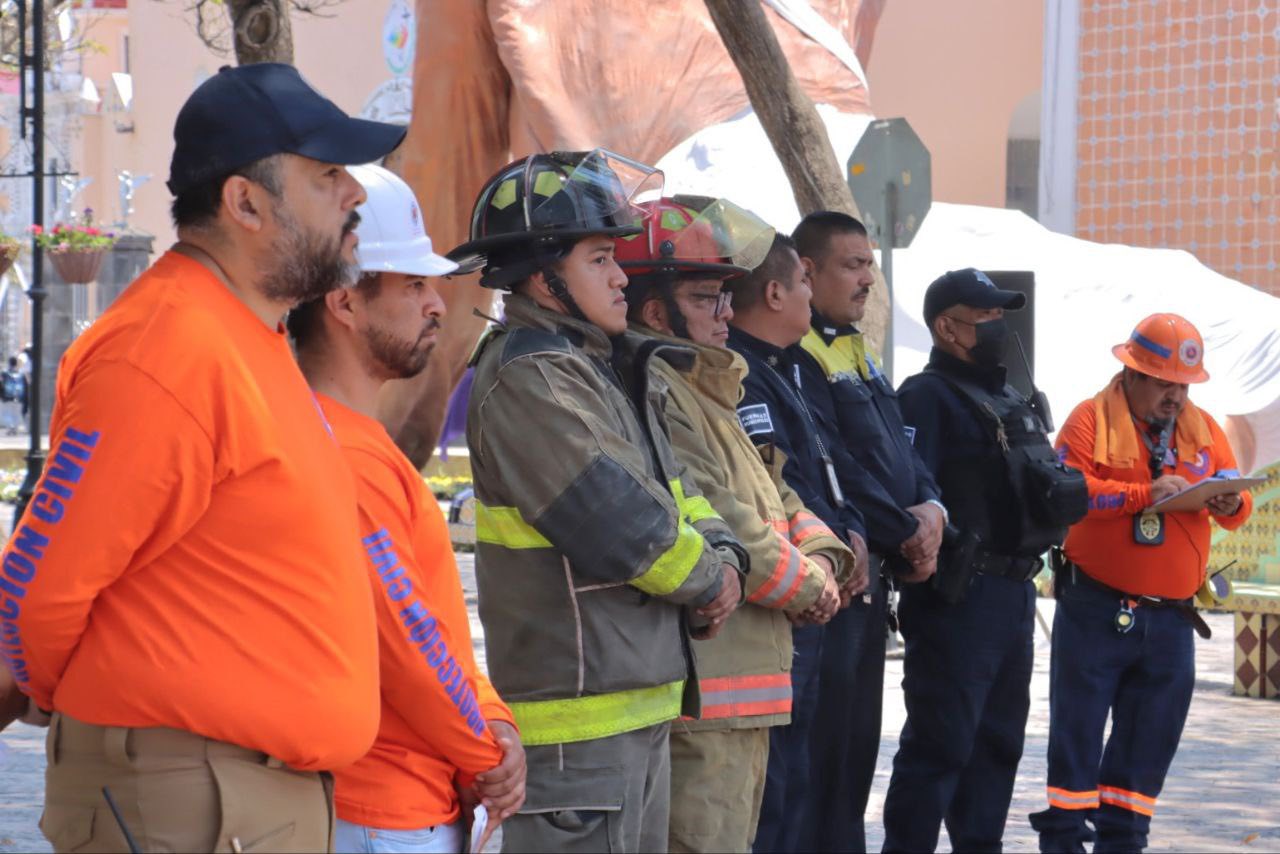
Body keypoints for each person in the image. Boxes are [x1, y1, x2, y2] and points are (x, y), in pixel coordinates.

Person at [0, 63, 405, 853]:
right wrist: (99, 704)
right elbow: (39, 592)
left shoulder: (243, 335)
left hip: (237, 796)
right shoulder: (164, 349)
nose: (355, 194)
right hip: (190, 799)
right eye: (327, 175)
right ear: (245, 202)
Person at [445, 149, 745, 853]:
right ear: (542, 274)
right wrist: (712, 582)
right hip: (575, 739)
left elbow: (682, 495)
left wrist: (725, 557)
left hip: (632, 710)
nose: (621, 276)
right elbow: (624, 525)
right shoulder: (533, 379)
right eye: (601, 258)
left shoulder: (594, 367)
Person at [288, 164, 526, 854]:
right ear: (343, 302)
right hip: (385, 812)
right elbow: (410, 642)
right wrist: (490, 749)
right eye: (413, 284)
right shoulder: (347, 454)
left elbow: (431, 633)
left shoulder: (344, 438)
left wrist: (490, 721)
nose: (438, 305)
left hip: (392, 803)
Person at [618, 197, 856, 853]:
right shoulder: (658, 389)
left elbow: (779, 492)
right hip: (706, 703)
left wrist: (825, 555)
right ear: (653, 310)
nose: (727, 312)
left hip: (746, 695)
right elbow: (725, 518)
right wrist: (813, 586)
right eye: (705, 298)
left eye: (725, 295)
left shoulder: (709, 388)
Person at [1030, 313, 1253, 853]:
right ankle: (1063, 839)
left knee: (1149, 745)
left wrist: (1232, 500)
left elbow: (1235, 501)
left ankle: (1125, 840)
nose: (1175, 396)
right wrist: (1143, 494)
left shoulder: (1203, 429)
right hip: (1095, 608)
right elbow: (1070, 491)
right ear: (1130, 372)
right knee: (1077, 740)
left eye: (1183, 384)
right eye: (1162, 381)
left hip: (1172, 619)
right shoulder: (1088, 420)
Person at [883, 269, 1086, 852]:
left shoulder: (1004, 394)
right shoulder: (925, 395)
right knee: (941, 744)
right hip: (958, 596)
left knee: (998, 744)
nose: (998, 326)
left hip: (1014, 592)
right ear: (947, 327)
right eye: (985, 315)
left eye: (1000, 315)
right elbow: (910, 492)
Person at [790, 211, 945, 853]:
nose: (868, 279)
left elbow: (899, 452)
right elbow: (836, 466)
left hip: (874, 574)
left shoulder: (855, 346)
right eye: (852, 264)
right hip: (838, 576)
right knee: (823, 768)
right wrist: (904, 528)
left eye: (870, 263)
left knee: (854, 761)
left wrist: (933, 508)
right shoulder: (797, 355)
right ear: (805, 272)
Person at [724, 234, 872, 853]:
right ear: (777, 291)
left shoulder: (790, 367)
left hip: (824, 583)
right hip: (788, 598)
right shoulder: (739, 373)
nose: (813, 291)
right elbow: (768, 492)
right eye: (804, 282)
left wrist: (852, 535)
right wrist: (820, 565)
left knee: (806, 778)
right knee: (775, 789)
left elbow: (834, 468)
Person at [0, 356, 26, 433]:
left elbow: (1, 384)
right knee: (16, 413)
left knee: (7, 412)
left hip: (7, 397)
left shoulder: (4, 373)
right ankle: (15, 427)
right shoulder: (21, 373)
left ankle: (10, 427)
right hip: (18, 396)